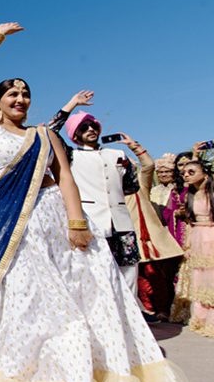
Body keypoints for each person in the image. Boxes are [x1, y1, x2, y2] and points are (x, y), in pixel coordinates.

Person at [0, 24, 200, 382]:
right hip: (14, 229)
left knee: (94, 299)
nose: (21, 99)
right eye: (12, 94)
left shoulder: (44, 135)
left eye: (26, 94)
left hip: (59, 221)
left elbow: (66, 180)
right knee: (33, 305)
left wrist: (77, 224)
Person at [46, 92, 143, 305]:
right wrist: (71, 104)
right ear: (74, 135)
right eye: (83, 127)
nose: (90, 129)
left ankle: (133, 325)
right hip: (93, 224)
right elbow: (49, 132)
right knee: (98, 276)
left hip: (122, 223)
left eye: (93, 126)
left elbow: (131, 188)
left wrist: (126, 170)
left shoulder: (118, 154)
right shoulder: (71, 156)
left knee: (129, 275)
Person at [115, 136, 185, 322]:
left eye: (126, 167)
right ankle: (145, 310)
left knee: (154, 274)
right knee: (136, 279)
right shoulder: (110, 190)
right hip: (124, 239)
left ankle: (161, 310)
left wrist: (133, 146)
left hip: (146, 239)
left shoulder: (140, 185)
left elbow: (148, 166)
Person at [175, 160, 214, 338]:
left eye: (191, 171)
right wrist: (189, 245)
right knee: (200, 279)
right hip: (198, 239)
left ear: (206, 174)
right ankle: (202, 319)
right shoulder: (189, 196)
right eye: (184, 172)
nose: (186, 175)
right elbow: (190, 223)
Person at [151, 153, 177, 224]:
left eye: (167, 172)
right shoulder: (152, 191)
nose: (163, 175)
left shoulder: (178, 189)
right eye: (160, 172)